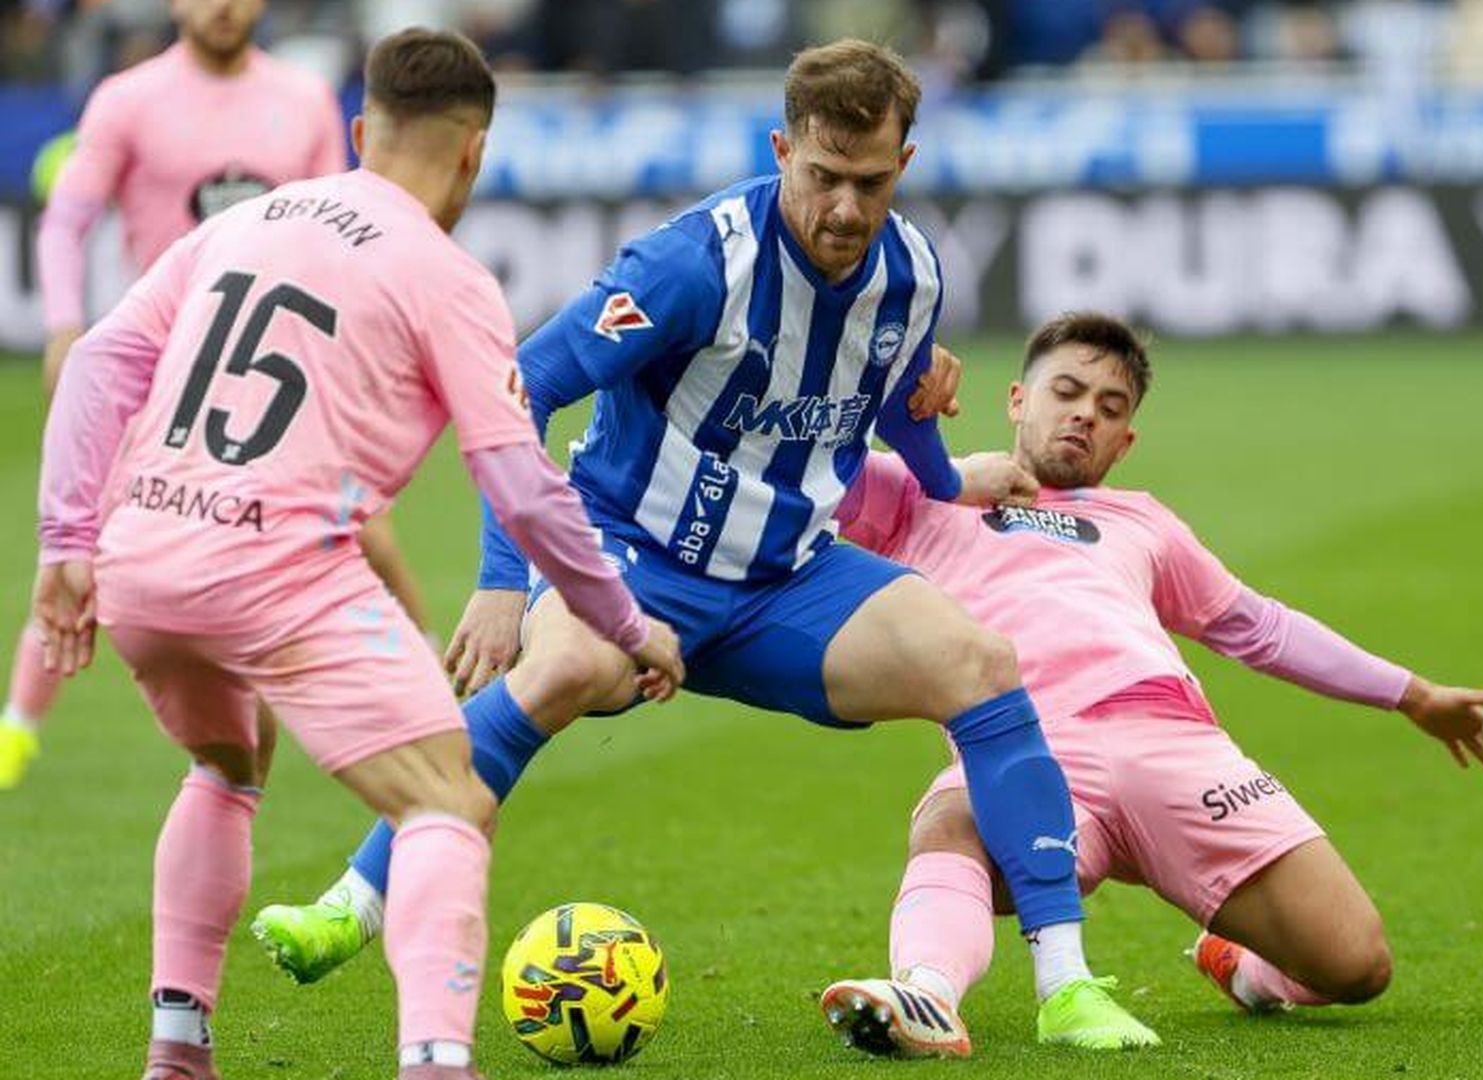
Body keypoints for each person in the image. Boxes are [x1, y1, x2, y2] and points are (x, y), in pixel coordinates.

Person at [251, 38, 1159, 1052]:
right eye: (822, 177)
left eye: (869, 182)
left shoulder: (911, 274)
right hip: (632, 560)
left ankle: (1067, 984)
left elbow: (888, 395)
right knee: (558, 669)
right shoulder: (695, 262)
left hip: (788, 579)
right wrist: (507, 579)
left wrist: (947, 478)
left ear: (904, 163)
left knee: (981, 664)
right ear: (782, 149)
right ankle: (350, 902)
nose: (846, 209)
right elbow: (522, 384)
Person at [32, 28, 682, 1080]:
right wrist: (622, 619)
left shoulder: (240, 224)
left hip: (142, 556)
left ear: (356, 130)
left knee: (229, 763)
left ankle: (178, 1046)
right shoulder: (448, 274)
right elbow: (518, 482)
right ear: (474, 154)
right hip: (278, 569)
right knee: (447, 799)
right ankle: (434, 1062)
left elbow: (104, 358)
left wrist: (65, 541)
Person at [815, 312, 1483, 1056]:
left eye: (1111, 408)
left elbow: (1262, 628)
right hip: (1032, 746)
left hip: (1178, 748)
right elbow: (798, 464)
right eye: (1068, 390)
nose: (1086, 412)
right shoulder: (922, 496)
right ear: (1020, 399)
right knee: (950, 817)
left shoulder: (1143, 522)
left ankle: (1243, 969)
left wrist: (1412, 694)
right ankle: (926, 994)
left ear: (1126, 442)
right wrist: (883, 386)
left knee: (1357, 964)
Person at [2, 0, 429, 790]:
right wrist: (64, 324)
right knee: (84, 541)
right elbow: (65, 221)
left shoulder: (301, 98)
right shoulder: (129, 99)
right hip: (168, 371)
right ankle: (17, 728)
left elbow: (346, 224)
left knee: (369, 529)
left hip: (281, 372)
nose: (223, 6)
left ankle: (433, 695)